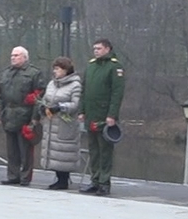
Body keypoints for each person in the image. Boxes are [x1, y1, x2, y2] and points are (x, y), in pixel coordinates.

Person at [80, 39, 126, 195]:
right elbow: (84, 90)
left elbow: (117, 93)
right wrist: (82, 111)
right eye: (94, 48)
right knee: (93, 150)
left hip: (104, 116)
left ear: (107, 48)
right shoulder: (91, 66)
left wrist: (112, 115)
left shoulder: (114, 67)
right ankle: (95, 180)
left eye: (99, 48)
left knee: (105, 151)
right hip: (91, 115)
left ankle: (104, 183)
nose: (96, 51)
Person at [0, 46, 46, 186]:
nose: (13, 57)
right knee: (11, 149)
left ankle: (25, 177)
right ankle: (13, 175)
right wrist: (1, 113)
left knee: (25, 149)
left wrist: (34, 119)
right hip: (9, 114)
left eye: (17, 55)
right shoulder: (6, 73)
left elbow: (38, 96)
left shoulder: (34, 73)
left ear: (25, 57)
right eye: (12, 55)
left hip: (25, 115)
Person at [39, 56, 84, 190]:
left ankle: (64, 179)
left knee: (64, 152)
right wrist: (43, 106)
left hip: (65, 124)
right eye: (54, 69)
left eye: (57, 69)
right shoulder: (52, 84)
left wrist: (60, 107)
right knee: (53, 152)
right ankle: (59, 178)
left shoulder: (75, 85)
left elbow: (75, 104)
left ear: (66, 70)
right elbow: (46, 98)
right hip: (51, 122)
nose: (55, 71)